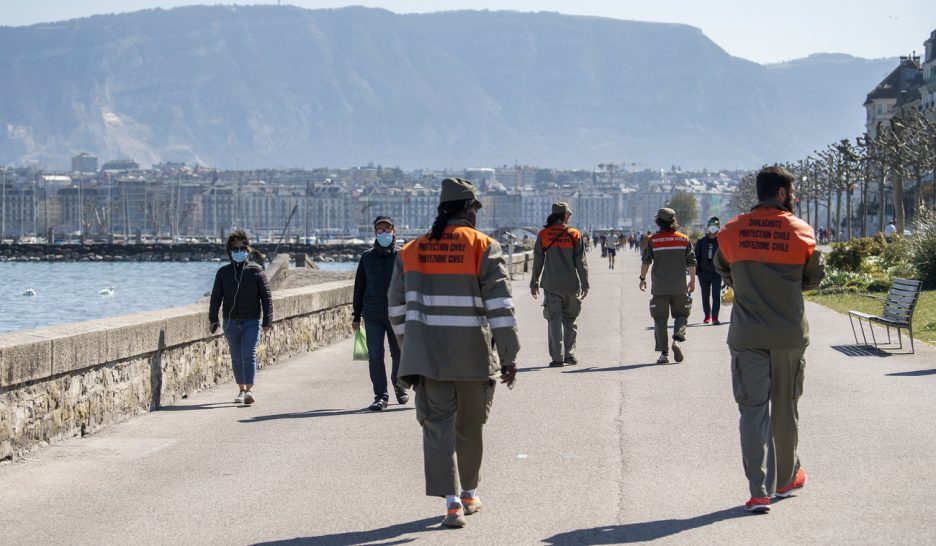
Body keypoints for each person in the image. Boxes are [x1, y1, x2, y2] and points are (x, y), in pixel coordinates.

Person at [388, 178, 519, 529]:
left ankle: (450, 503)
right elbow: (501, 308)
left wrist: (409, 346)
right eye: (475, 209)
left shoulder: (411, 251)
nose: (476, 216)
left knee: (437, 429)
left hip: (429, 361)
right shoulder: (484, 247)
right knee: (471, 428)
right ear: (467, 209)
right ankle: (470, 493)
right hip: (474, 358)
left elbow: (396, 308)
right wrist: (508, 355)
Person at [714, 166, 824, 513]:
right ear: (781, 193)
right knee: (785, 407)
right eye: (791, 192)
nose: (793, 197)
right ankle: (786, 478)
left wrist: (747, 281)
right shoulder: (801, 231)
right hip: (789, 333)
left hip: (747, 334)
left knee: (752, 411)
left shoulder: (732, 231)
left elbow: (722, 267)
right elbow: (814, 276)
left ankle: (758, 491)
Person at [209, 230, 273, 405]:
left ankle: (249, 390)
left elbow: (266, 297)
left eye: (241, 248)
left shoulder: (256, 270)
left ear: (248, 250)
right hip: (230, 321)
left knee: (249, 353)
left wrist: (268, 320)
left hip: (251, 321)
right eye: (234, 249)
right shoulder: (223, 273)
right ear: (229, 251)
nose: (238, 252)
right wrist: (213, 319)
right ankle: (241, 389)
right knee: (236, 356)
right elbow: (216, 297)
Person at [352, 215, 407, 411]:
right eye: (379, 230)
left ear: (394, 231)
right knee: (375, 355)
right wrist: (356, 315)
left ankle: (399, 385)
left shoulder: (403, 257)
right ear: (375, 232)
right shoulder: (367, 258)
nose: (383, 233)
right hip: (373, 315)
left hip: (398, 314)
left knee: (399, 354)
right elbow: (359, 287)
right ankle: (381, 396)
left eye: (387, 229)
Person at [530, 202, 589, 367]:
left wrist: (534, 282)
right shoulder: (575, 235)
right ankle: (569, 355)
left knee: (554, 320)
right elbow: (581, 262)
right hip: (571, 285)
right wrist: (585, 283)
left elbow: (538, 260)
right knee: (570, 320)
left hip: (551, 285)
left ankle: (557, 357)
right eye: (568, 214)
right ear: (564, 215)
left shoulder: (544, 235)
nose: (569, 216)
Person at [639, 208, 696, 364]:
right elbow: (691, 261)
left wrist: (642, 278)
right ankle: (677, 339)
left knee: (660, 319)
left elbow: (646, 262)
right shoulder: (684, 239)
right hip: (679, 286)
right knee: (682, 314)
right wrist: (692, 280)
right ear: (673, 221)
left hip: (660, 287)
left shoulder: (653, 240)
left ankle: (664, 354)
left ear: (659, 222)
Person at [694, 216, 723, 325]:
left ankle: (715, 317)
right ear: (707, 227)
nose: (713, 228)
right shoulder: (701, 242)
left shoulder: (721, 241)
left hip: (717, 273)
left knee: (716, 295)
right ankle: (707, 315)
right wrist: (696, 271)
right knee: (705, 295)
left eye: (715, 226)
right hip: (703, 273)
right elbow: (696, 257)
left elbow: (725, 257)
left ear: (719, 228)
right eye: (711, 226)